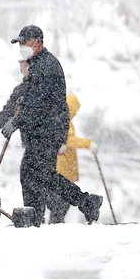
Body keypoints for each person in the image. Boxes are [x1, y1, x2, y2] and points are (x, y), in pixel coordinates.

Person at [0, 25, 102, 224]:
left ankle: (42, 215)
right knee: (39, 176)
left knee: (34, 175)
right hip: (41, 131)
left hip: (47, 131)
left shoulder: (47, 66)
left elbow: (37, 104)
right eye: (20, 44)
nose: (22, 47)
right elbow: (22, 102)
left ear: (38, 41)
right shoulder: (37, 65)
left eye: (25, 42)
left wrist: (15, 122)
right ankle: (69, 207)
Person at [47, 94, 95, 223]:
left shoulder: (59, 119)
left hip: (63, 168)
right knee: (60, 203)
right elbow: (68, 139)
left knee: (60, 204)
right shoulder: (63, 121)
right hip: (61, 169)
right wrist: (88, 144)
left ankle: (55, 225)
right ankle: (55, 227)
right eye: (75, 109)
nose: (75, 112)